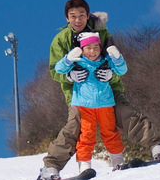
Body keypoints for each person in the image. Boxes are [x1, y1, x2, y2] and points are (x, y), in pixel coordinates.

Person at [36, 0, 160, 180]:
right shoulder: (60, 40)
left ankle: (158, 147)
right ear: (67, 18)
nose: (78, 20)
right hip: (80, 96)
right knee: (74, 127)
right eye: (73, 16)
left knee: (126, 114)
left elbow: (115, 61)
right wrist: (69, 76)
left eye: (81, 15)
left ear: (87, 15)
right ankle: (51, 167)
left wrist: (110, 75)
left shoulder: (102, 34)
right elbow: (55, 69)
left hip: (108, 90)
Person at [54, 32, 127, 172]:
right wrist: (68, 59)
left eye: (96, 47)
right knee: (86, 135)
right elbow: (59, 69)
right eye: (88, 48)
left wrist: (117, 58)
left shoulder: (105, 61)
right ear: (81, 49)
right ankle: (85, 165)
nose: (93, 51)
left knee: (110, 132)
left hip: (105, 104)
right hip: (84, 105)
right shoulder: (78, 62)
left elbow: (122, 70)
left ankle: (118, 160)